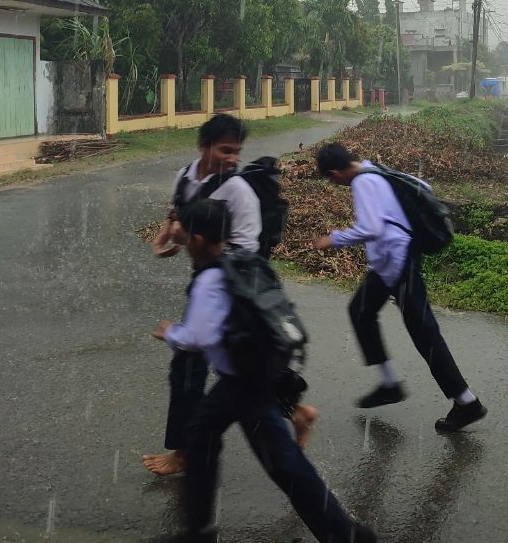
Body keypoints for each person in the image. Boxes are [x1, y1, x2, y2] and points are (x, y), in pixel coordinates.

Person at [152, 199, 376, 543]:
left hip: (246, 383)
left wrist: (172, 334)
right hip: (249, 374)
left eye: (185, 231)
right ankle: (198, 531)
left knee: (283, 464)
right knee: (201, 435)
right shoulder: (241, 261)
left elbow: (198, 336)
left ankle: (344, 534)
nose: (181, 236)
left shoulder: (211, 279)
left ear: (196, 238)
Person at [144, 115, 316, 477]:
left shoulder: (239, 192)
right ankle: (297, 412)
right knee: (246, 364)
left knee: (197, 362)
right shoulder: (184, 177)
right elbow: (175, 217)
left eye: (236, 152)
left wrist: (194, 243)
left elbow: (248, 250)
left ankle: (185, 451)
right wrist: (164, 240)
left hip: (234, 287)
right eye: (224, 150)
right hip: (205, 279)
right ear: (203, 146)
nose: (231, 158)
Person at [312, 142, 487, 433]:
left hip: (398, 263)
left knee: (424, 332)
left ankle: (466, 402)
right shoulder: (375, 169)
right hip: (387, 264)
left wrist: (335, 239)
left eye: (330, 179)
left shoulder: (363, 182)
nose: (335, 184)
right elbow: (422, 185)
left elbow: (372, 228)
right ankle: (390, 383)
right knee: (360, 311)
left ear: (334, 172)